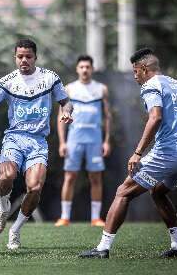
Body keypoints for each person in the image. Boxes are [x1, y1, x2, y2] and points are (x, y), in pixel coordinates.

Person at [79, 48, 177, 259]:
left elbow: (155, 117)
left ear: (144, 69)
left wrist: (137, 152)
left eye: (135, 72)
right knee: (158, 192)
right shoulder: (176, 84)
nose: (135, 77)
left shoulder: (151, 85)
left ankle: (102, 248)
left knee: (123, 192)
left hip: (168, 153)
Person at [0, 38, 73, 250]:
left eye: (28, 56)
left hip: (38, 142)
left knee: (34, 188)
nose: (24, 60)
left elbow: (65, 102)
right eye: (20, 57)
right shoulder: (8, 82)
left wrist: (67, 113)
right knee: (6, 177)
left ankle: (15, 230)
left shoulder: (50, 78)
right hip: (14, 138)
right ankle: (4, 207)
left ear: (35, 57)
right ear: (15, 58)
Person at [55, 55, 111, 227]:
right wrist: (62, 142)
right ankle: (64, 217)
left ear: (92, 69)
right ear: (77, 69)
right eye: (82, 67)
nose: (85, 70)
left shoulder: (101, 89)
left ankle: (95, 218)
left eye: (88, 67)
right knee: (70, 177)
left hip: (95, 140)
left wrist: (107, 141)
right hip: (74, 139)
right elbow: (60, 116)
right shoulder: (69, 89)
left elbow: (108, 117)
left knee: (95, 178)